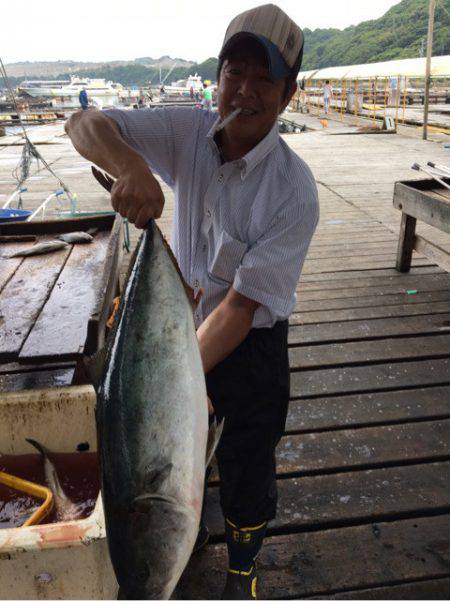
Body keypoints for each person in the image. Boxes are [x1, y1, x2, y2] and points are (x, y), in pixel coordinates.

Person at [65, 4, 318, 599]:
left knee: (248, 461)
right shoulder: (187, 132)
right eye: (235, 71)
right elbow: (84, 123)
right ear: (219, 74)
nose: (245, 91)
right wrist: (129, 164)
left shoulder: (293, 190)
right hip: (179, 329)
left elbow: (238, 308)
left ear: (288, 93)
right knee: (174, 452)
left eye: (265, 79)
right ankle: (189, 516)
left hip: (248, 340)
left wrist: (173, 383)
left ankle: (244, 564)